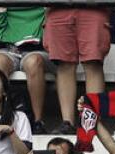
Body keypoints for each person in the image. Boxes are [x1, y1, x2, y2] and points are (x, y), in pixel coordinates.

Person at [44, 7, 108, 135]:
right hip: (58, 6)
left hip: (93, 5)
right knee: (64, 64)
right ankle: (67, 122)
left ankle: (91, 122)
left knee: (92, 63)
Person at [0, 8, 49, 132]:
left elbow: (51, 24)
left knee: (33, 62)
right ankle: (0, 118)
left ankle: (38, 122)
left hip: (39, 48)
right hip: (9, 48)